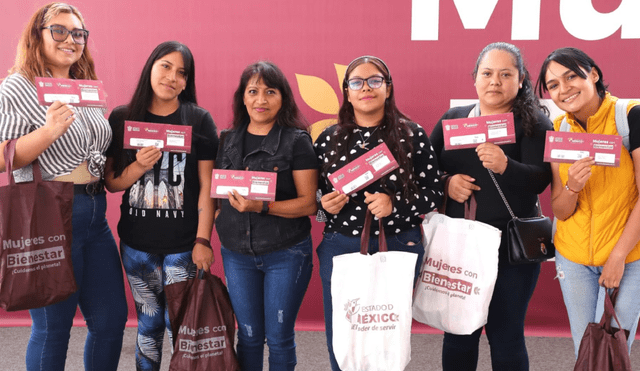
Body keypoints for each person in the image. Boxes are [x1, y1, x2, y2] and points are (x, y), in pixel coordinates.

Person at [0, 3, 128, 370]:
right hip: (50, 214)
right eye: (59, 30)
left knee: (110, 321)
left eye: (78, 33)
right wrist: (49, 131)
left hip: (94, 212)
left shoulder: (86, 87)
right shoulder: (18, 86)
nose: (70, 39)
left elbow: (95, 151)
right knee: (53, 327)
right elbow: (1, 156)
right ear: (37, 36)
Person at [315, 55, 443, 371]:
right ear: (346, 91)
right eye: (357, 82)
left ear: (388, 88)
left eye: (375, 80)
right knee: (344, 334)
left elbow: (433, 195)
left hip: (399, 243)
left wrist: (394, 205)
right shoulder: (328, 139)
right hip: (342, 244)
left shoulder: (412, 135)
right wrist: (324, 206)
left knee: (386, 333)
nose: (366, 88)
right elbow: (314, 195)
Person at [430, 42, 552, 371]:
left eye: (505, 74)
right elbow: (424, 172)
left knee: (506, 334)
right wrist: (446, 182)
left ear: (521, 79)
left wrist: (506, 166)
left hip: (510, 251)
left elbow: (541, 180)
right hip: (459, 249)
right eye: (487, 73)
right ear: (475, 79)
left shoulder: (535, 123)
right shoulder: (452, 120)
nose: (494, 81)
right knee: (459, 334)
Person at [104, 41, 217, 371]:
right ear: (150, 67)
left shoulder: (198, 119)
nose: (172, 77)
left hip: (184, 247)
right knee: (149, 325)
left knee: (181, 327)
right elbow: (111, 182)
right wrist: (138, 166)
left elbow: (207, 187)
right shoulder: (123, 117)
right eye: (165, 66)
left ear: (187, 81)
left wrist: (202, 239)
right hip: (137, 246)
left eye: (182, 73)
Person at [536, 47, 640, 358]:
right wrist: (573, 186)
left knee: (613, 350)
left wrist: (618, 257)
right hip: (574, 259)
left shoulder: (630, 115)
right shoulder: (559, 129)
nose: (563, 89)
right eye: (553, 85)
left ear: (593, 75)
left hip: (628, 257)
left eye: (571, 76)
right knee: (587, 351)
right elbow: (561, 210)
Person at [214, 61, 317, 371]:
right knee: (247, 337)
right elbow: (216, 199)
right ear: (243, 98)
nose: (261, 100)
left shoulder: (297, 141)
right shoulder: (226, 140)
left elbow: (310, 204)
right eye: (253, 91)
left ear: (282, 97)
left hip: (285, 253)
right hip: (236, 254)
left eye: (270, 92)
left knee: (279, 338)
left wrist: (261, 206)